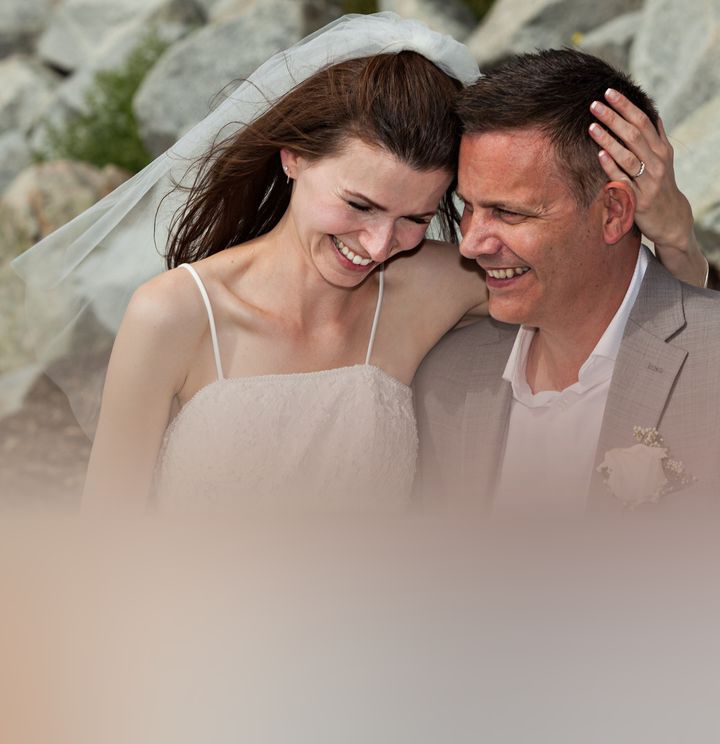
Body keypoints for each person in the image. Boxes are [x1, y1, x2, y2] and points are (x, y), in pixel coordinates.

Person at [11, 15, 706, 512]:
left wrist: (676, 234)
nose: (378, 245)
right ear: (294, 156)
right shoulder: (174, 314)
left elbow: (615, 302)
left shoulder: (441, 282)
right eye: (360, 204)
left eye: (415, 219)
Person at [413, 48, 720, 515]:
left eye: (508, 213)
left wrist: (680, 242)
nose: (470, 244)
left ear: (613, 213)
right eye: (467, 207)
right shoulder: (445, 380)